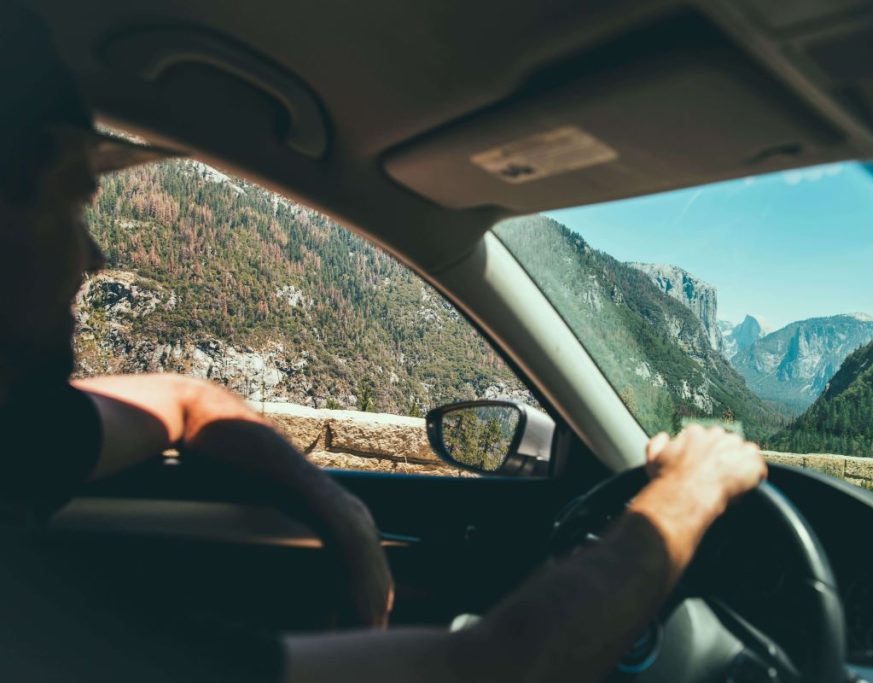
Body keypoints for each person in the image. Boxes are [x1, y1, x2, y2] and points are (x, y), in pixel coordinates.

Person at [0, 3, 767, 681]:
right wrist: (693, 485)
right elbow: (494, 668)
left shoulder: (21, 437)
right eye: (71, 201)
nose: (94, 256)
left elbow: (187, 399)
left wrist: (346, 513)